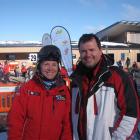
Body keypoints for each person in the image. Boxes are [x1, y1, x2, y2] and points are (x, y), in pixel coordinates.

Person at [70, 34, 139, 140]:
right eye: (83, 51)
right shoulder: (75, 80)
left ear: (100, 50)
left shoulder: (117, 76)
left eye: (92, 50)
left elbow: (131, 114)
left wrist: (117, 138)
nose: (88, 54)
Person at [7, 45, 72, 140]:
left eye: (54, 64)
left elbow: (67, 125)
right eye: (46, 64)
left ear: (58, 68)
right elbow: (15, 121)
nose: (50, 68)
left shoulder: (64, 92)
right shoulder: (27, 89)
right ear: (39, 66)